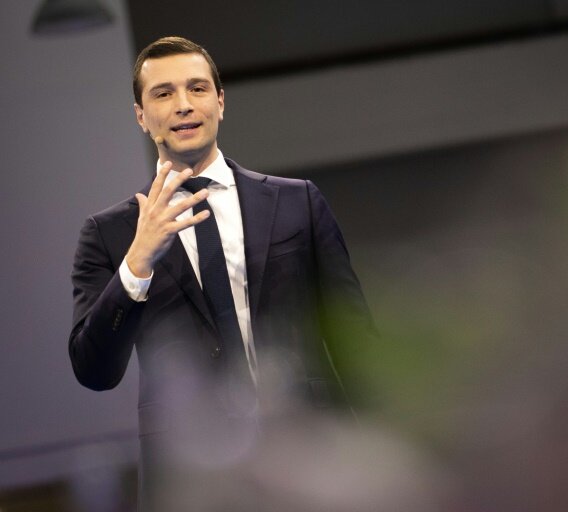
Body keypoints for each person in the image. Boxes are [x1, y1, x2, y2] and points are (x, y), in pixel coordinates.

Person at [68, 36, 375, 511]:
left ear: (220, 101)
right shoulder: (109, 234)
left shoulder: (298, 202)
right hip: (195, 481)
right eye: (163, 93)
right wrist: (137, 263)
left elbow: (355, 340)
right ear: (140, 116)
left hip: (310, 459)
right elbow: (94, 370)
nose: (184, 105)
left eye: (197, 88)